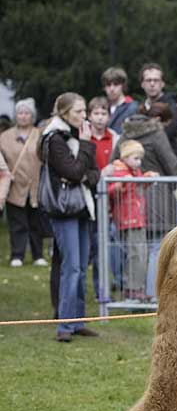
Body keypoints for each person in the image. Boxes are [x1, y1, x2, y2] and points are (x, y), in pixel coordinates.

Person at [39, 93, 100, 342]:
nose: (84, 116)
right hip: (64, 209)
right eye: (78, 111)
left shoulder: (76, 135)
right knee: (71, 266)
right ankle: (64, 325)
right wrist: (85, 146)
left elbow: (93, 172)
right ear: (64, 113)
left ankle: (77, 321)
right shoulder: (55, 138)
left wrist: (83, 170)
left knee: (81, 266)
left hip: (83, 207)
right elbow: (74, 172)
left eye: (85, 110)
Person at [113, 103, 177, 300]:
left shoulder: (125, 134)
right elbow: (172, 166)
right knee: (154, 248)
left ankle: (133, 290)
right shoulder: (156, 133)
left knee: (133, 250)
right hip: (155, 198)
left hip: (128, 201)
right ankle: (153, 294)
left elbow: (113, 161)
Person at [0, 98, 47, 267]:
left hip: (35, 186)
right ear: (16, 115)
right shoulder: (5, 137)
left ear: (32, 115)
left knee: (36, 223)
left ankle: (37, 255)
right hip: (14, 187)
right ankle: (17, 255)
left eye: (27, 113)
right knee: (17, 224)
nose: (23, 116)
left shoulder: (40, 135)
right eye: (20, 112)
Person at [104, 140, 152, 300]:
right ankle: (131, 288)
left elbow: (138, 188)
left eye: (140, 159)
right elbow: (111, 190)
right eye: (135, 158)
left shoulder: (134, 172)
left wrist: (147, 179)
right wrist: (120, 185)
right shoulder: (119, 171)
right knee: (134, 254)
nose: (139, 162)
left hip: (138, 217)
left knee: (140, 253)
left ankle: (137, 286)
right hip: (127, 219)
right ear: (125, 157)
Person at [86, 96, 118, 295]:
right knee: (93, 247)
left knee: (109, 246)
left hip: (112, 198)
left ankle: (109, 286)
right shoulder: (84, 138)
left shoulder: (115, 138)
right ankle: (98, 288)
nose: (99, 118)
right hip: (89, 197)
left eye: (103, 113)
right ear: (89, 116)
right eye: (95, 113)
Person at [138, 63, 177, 159]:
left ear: (162, 83)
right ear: (142, 84)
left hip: (167, 161)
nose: (152, 84)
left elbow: (169, 132)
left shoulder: (171, 107)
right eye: (148, 80)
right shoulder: (140, 108)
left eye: (156, 80)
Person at [103, 67, 139, 134]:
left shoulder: (133, 108)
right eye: (108, 85)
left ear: (123, 86)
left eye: (116, 84)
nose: (112, 89)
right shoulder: (102, 107)